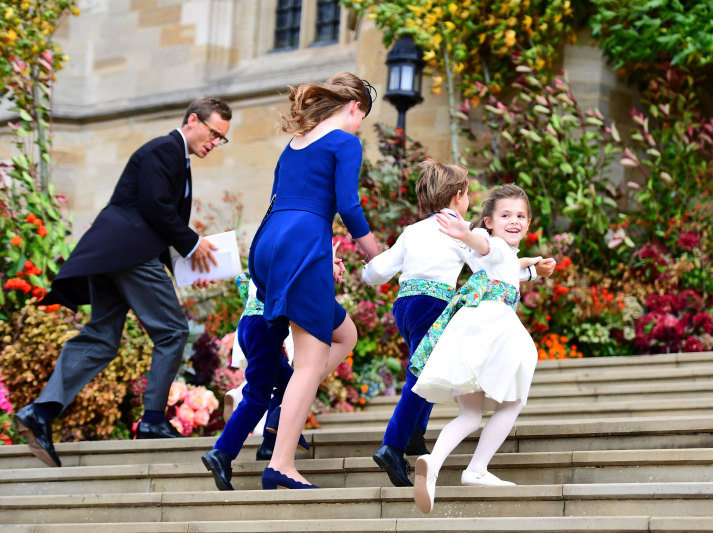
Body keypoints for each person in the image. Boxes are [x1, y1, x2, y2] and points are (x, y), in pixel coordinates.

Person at [13, 97, 232, 468]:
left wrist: (185, 267)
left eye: (222, 139)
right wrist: (193, 244)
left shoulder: (176, 158)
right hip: (129, 253)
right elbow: (154, 207)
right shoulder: (164, 148)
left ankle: (40, 412)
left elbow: (154, 216)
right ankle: (152, 420)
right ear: (193, 120)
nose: (215, 142)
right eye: (214, 133)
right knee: (173, 331)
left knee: (101, 337)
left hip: (114, 254)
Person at [362, 161, 555, 487]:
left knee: (425, 365)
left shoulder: (413, 230)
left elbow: (379, 270)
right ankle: (393, 445)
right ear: (458, 195)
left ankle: (413, 436)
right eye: (467, 194)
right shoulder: (458, 228)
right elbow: (489, 262)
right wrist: (526, 268)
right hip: (433, 304)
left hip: (405, 304)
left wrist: (366, 273)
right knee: (421, 373)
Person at [249, 72, 379, 490]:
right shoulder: (345, 141)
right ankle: (281, 464)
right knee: (308, 362)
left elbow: (281, 201)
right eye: (362, 117)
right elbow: (348, 205)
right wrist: (378, 254)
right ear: (355, 107)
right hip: (304, 243)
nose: (360, 125)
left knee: (344, 336)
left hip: (270, 244)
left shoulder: (293, 145)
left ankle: (285, 410)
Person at [409, 184, 552, 514]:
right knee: (513, 401)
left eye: (520, 215)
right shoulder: (494, 245)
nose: (514, 220)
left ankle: (433, 463)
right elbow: (489, 249)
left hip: (469, 330)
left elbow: (507, 268)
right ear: (488, 221)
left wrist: (535, 270)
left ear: (528, 222)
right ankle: (476, 469)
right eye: (505, 215)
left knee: (470, 414)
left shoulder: (504, 255)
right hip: (495, 329)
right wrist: (465, 233)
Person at [201, 249, 345, 491]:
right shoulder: (294, 245)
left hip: (254, 324)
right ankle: (222, 453)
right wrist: (326, 268)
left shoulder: (275, 241)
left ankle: (270, 441)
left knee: (291, 383)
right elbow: (298, 281)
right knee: (257, 398)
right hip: (263, 327)